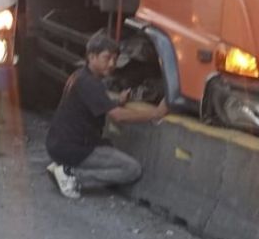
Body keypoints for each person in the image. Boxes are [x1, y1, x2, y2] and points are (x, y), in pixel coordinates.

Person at [45, 32, 168, 199]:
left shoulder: (81, 76)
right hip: (75, 147)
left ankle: (64, 168)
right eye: (107, 58)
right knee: (131, 169)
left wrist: (119, 101)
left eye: (115, 59)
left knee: (110, 151)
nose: (112, 64)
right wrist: (156, 113)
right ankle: (73, 176)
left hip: (60, 144)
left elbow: (99, 104)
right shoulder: (89, 83)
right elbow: (118, 116)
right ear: (92, 57)